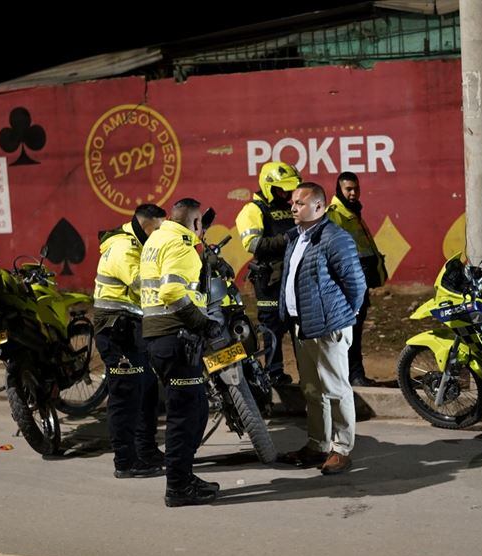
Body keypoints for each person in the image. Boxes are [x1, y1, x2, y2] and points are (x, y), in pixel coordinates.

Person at [278, 182, 365, 475]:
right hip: (303, 326)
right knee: (313, 390)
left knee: (336, 389)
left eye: (299, 203)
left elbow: (356, 284)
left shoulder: (334, 238)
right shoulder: (296, 238)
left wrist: (344, 315)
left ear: (319, 207)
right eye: (292, 203)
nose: (293, 208)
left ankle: (342, 449)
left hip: (330, 327)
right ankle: (317, 445)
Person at [141, 198, 222, 506]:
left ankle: (184, 477)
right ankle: (177, 486)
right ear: (196, 223)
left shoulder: (157, 239)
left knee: (196, 409)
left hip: (160, 337)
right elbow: (172, 291)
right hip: (176, 337)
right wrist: (202, 323)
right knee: (185, 416)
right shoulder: (181, 245)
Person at [93, 204, 166, 479]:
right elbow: (142, 285)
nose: (160, 235)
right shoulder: (125, 248)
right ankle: (125, 461)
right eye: (158, 229)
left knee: (147, 391)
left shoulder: (138, 243)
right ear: (147, 225)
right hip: (116, 331)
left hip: (133, 328)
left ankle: (146, 450)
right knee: (125, 396)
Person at [235, 161, 302, 387]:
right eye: (282, 188)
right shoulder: (253, 210)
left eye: (289, 188)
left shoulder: (287, 205)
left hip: (293, 276)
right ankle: (274, 374)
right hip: (269, 279)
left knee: (298, 326)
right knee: (272, 328)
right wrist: (285, 239)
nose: (287, 193)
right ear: (268, 186)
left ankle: (307, 372)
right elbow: (253, 244)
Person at [326, 172, 387, 387]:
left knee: (355, 333)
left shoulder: (352, 213)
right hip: (346, 288)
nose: (353, 193)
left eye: (355, 189)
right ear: (339, 190)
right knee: (348, 333)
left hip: (357, 285)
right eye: (348, 189)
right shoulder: (335, 214)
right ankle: (352, 375)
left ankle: (353, 374)